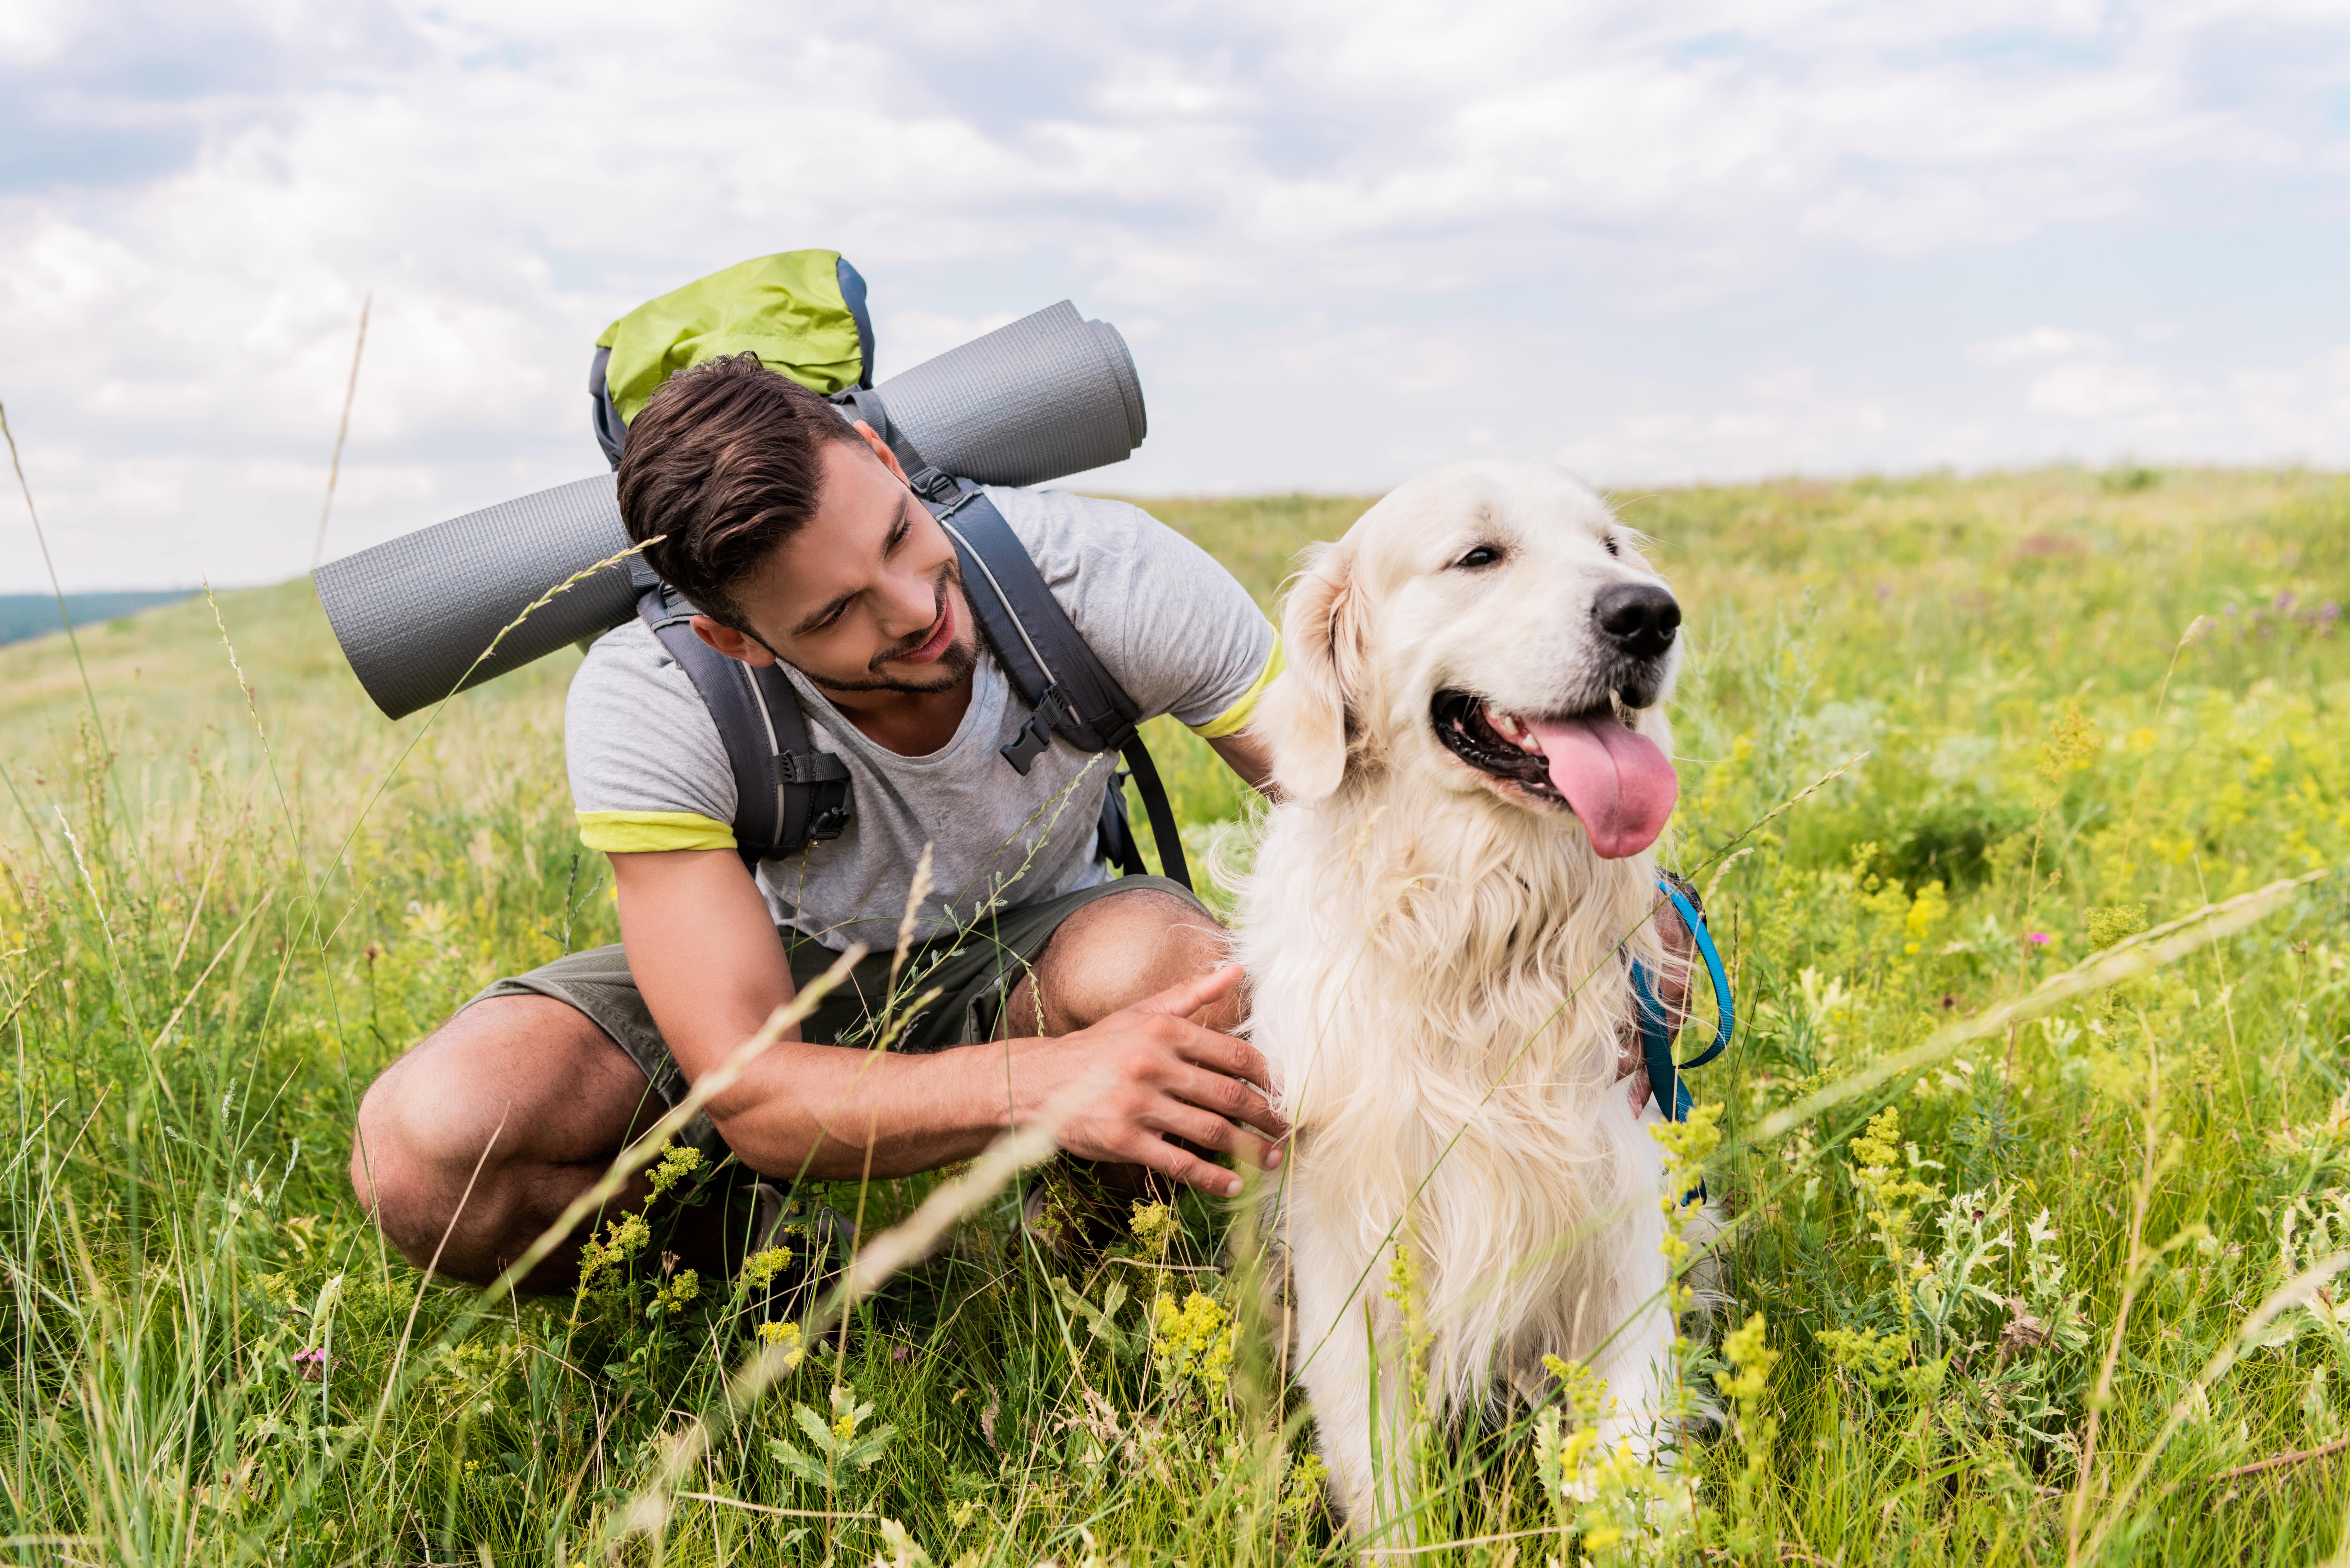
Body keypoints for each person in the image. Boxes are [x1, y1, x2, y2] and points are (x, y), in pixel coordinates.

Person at [349, 354, 1291, 1293]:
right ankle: (813, 1289)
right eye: (837, 611)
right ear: (735, 638)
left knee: (1183, 979)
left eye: (896, 536)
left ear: (883, 457)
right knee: (426, 1149)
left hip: (1050, 948)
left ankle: (1094, 1272)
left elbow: (1362, 805)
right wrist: (1044, 1082)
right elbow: (751, 1092)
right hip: (797, 973)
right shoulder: (655, 695)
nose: (917, 607)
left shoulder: (1103, 574)